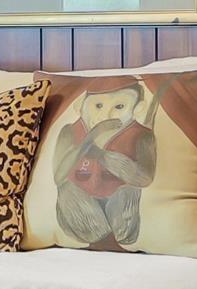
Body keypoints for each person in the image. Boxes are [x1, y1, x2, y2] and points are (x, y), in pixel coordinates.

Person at [52, 79, 158, 251]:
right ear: (81, 106)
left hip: (121, 216)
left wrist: (103, 156)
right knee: (66, 187)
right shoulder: (69, 132)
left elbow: (145, 178)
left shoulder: (141, 135)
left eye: (119, 107)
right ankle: (101, 239)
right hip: (79, 215)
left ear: (137, 108)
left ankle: (111, 240)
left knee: (129, 189)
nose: (106, 115)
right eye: (98, 106)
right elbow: (58, 177)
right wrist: (89, 140)